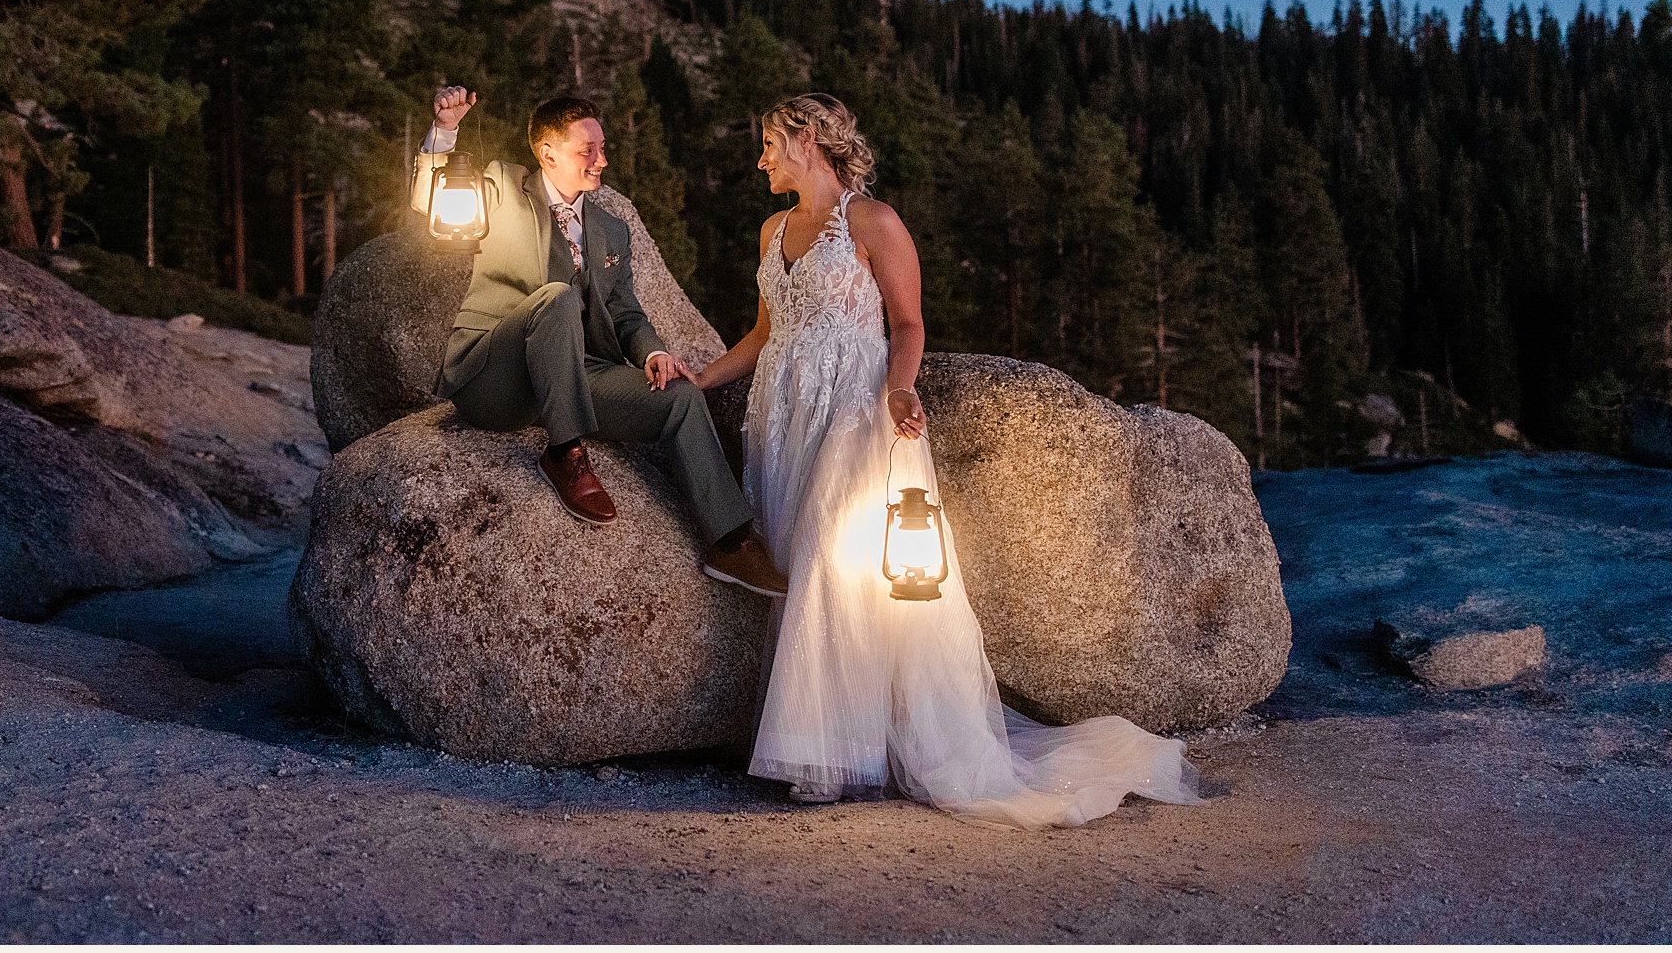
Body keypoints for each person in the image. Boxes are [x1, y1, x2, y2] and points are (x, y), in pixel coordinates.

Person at [690, 93, 1204, 826]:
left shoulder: (873, 223)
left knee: (835, 576)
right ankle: (812, 736)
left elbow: (907, 320)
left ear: (808, 138)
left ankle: (835, 755)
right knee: (794, 564)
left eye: (770, 141)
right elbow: (766, 330)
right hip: (785, 416)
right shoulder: (772, 230)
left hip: (855, 415)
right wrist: (700, 376)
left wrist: (900, 389)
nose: (762, 157)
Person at [411, 85, 789, 597]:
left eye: (603, 147)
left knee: (679, 396)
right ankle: (565, 453)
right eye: (587, 150)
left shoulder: (612, 228)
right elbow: (428, 203)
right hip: (495, 376)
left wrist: (654, 352)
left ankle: (730, 541)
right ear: (548, 154)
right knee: (558, 298)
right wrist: (446, 132)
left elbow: (625, 311)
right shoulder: (500, 185)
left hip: (575, 373)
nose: (602, 160)